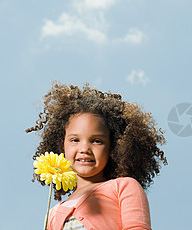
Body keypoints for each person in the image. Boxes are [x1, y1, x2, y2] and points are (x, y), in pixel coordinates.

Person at [26, 82, 167, 230]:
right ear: (62, 146)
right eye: (75, 140)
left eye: (97, 141)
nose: (85, 149)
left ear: (113, 147)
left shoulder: (123, 187)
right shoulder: (53, 214)